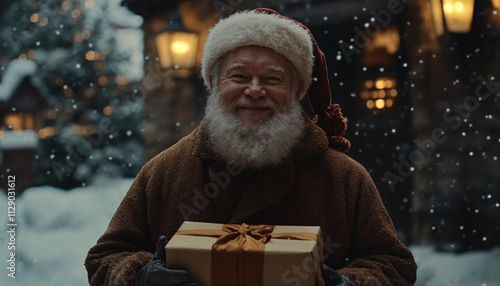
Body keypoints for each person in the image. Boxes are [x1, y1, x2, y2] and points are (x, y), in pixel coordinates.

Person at [85, 8, 417, 286]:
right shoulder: (163, 172)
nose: (255, 90)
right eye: (239, 76)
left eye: (272, 79)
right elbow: (106, 258)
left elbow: (394, 263)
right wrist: (142, 275)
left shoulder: (344, 177)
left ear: (297, 91)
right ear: (215, 83)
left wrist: (348, 282)